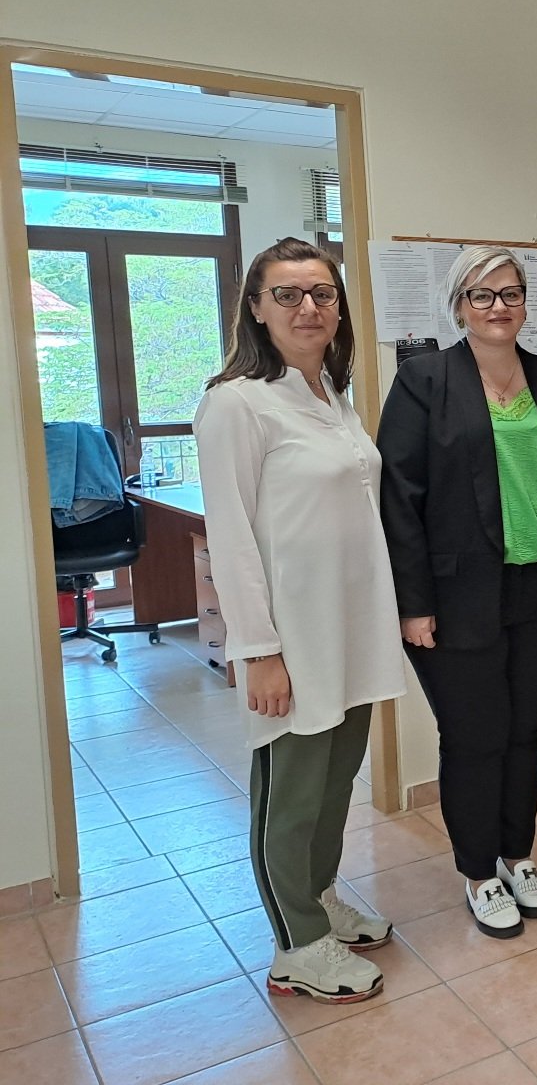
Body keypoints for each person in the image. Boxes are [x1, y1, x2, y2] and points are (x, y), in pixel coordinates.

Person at [195, 237, 403, 1004]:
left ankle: (317, 900)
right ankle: (296, 946)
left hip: (351, 631)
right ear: (256, 308)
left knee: (334, 783)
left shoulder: (330, 395)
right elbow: (232, 537)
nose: (307, 307)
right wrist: (259, 651)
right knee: (288, 797)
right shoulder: (235, 403)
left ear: (338, 308)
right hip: (292, 639)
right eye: (286, 294)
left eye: (321, 293)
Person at [378, 246, 537, 940]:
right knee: (474, 736)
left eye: (510, 293)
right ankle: (478, 872)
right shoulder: (424, 381)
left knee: (525, 732)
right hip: (455, 597)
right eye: (482, 294)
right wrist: (413, 604)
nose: (498, 306)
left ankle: (517, 854)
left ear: (526, 302)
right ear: (458, 306)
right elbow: (399, 498)